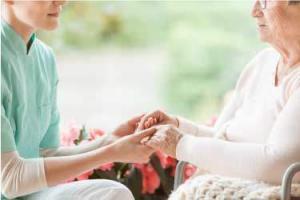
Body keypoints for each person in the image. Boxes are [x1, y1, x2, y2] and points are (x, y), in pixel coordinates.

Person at [1, 1, 156, 199]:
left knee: (113, 193)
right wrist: (110, 153)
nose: (61, 1)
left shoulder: (45, 58)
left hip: (30, 195)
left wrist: (108, 141)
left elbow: (44, 155)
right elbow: (10, 180)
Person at [138, 0, 300, 185]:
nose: (254, 11)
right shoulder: (262, 62)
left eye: (265, 1)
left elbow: (278, 165)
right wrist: (177, 127)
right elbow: (222, 138)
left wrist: (182, 144)